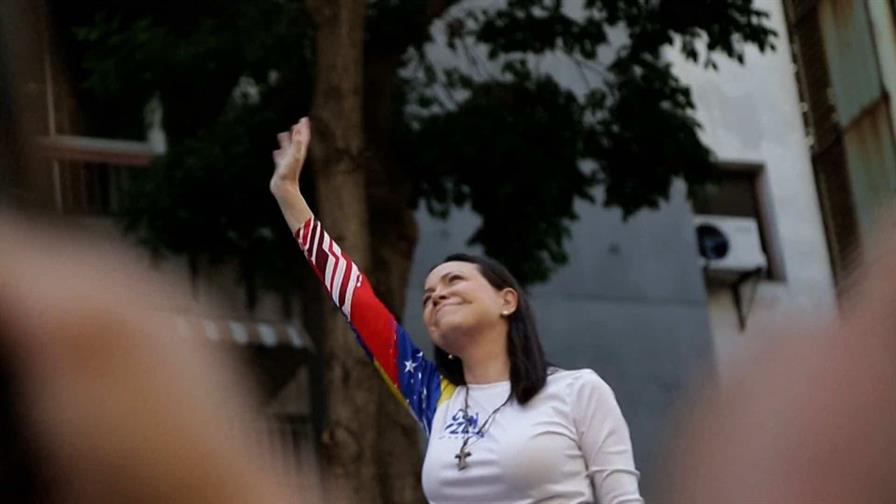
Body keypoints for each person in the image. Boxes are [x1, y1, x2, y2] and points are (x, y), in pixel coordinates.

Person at [270, 117, 644, 503]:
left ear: (507, 300)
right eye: (427, 295)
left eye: (454, 280)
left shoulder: (577, 391)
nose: (437, 296)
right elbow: (357, 300)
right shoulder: (434, 398)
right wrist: (288, 194)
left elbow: (623, 499)